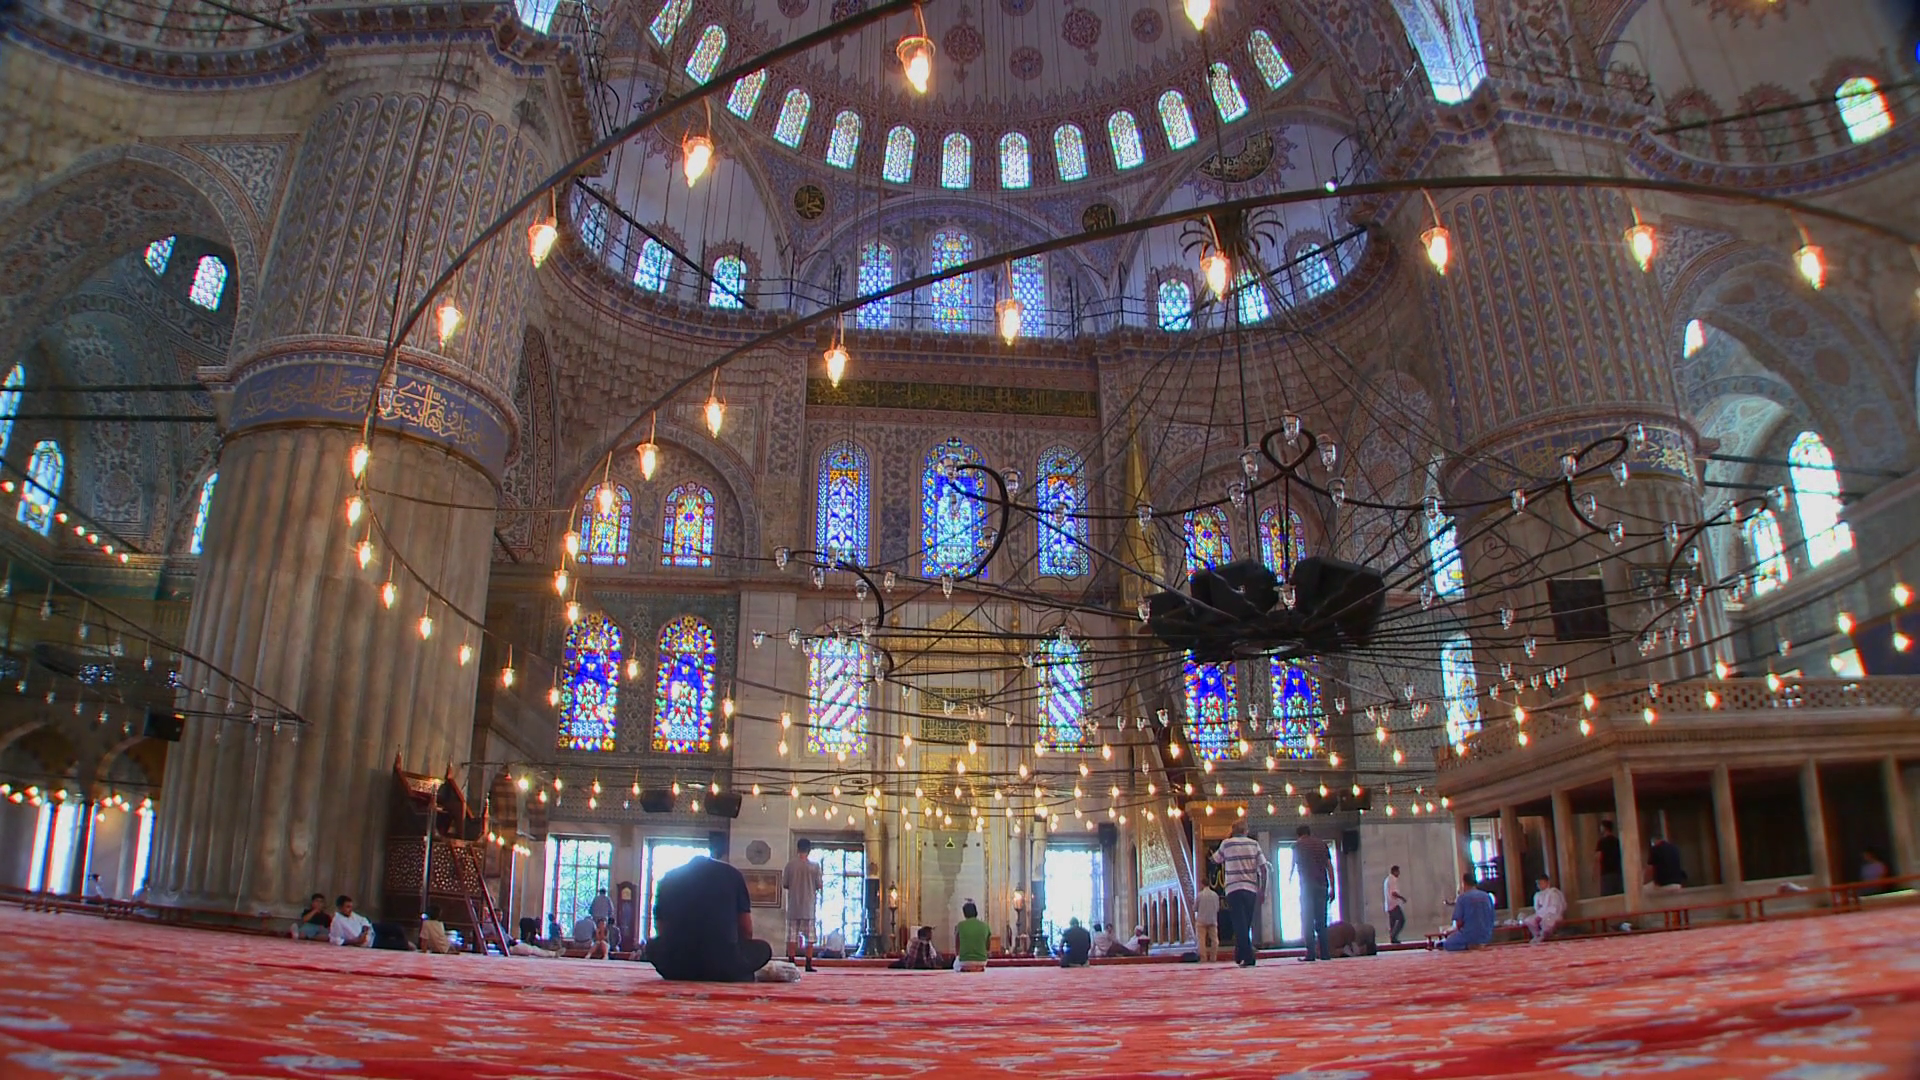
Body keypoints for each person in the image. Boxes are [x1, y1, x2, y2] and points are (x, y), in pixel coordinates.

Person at [646, 854, 774, 982]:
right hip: (724, 966)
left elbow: (660, 927)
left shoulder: (669, 877)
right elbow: (746, 928)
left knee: (650, 945)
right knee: (763, 948)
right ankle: (736, 972)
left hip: (676, 967)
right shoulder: (732, 875)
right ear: (722, 857)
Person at [1212, 820, 1268, 967]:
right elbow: (1264, 869)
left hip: (1233, 888)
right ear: (1246, 830)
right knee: (1245, 924)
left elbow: (1215, 859)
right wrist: (1263, 889)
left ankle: (1248, 957)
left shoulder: (1226, 844)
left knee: (1240, 924)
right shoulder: (1254, 844)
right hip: (1251, 889)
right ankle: (1240, 954)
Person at [1292, 825, 1335, 963]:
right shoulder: (1322, 845)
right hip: (1322, 885)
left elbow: (1294, 864)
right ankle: (1325, 953)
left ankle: (1310, 953)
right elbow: (1329, 866)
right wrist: (1333, 887)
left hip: (1307, 886)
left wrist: (1290, 877)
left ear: (1299, 834)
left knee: (1307, 920)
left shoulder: (1298, 845)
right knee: (1321, 921)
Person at [782, 837, 824, 972]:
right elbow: (819, 885)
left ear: (797, 849)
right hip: (808, 907)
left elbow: (785, 884)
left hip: (793, 906)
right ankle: (808, 964)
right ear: (809, 850)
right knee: (809, 938)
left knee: (792, 937)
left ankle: (791, 963)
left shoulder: (790, 866)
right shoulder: (815, 866)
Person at [1442, 874, 1495, 952]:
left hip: (1469, 935)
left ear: (1464, 883)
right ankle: (1478, 945)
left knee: (1448, 944)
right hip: (1486, 935)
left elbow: (1459, 923)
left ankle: (1470, 946)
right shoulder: (1487, 896)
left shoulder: (1462, 898)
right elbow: (1492, 918)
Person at [1523, 875, 1565, 943]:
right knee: (1529, 920)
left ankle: (1543, 936)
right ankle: (1537, 935)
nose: (1539, 885)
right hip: (1541, 913)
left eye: (1541, 883)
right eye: (1538, 883)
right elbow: (1537, 908)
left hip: (1552, 914)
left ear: (1547, 883)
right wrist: (1540, 914)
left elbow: (1556, 907)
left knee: (1546, 921)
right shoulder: (1537, 895)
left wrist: (1545, 914)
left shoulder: (1553, 893)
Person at [955, 901, 990, 971]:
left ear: (964, 913)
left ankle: (964, 969)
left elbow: (957, 945)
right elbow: (988, 947)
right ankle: (978, 968)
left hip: (964, 961)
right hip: (982, 961)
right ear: (976, 912)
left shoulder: (960, 925)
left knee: (955, 965)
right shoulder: (985, 926)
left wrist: (958, 956)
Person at [1193, 885, 1221, 963]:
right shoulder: (1215, 895)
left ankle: (1203, 958)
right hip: (1212, 920)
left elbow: (1195, 908)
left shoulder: (1199, 895)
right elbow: (1217, 908)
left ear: (1202, 885)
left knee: (1201, 940)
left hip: (1201, 921)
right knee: (1215, 940)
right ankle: (1213, 958)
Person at [1597, 820, 1624, 895]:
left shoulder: (1601, 842)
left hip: (1606, 873)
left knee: (1607, 896)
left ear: (1604, 828)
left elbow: (1598, 858)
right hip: (1618, 873)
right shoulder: (1618, 841)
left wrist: (1596, 873)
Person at [1382, 866, 1408, 945]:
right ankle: (1393, 937)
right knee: (1401, 920)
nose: (1399, 873)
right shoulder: (1392, 879)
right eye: (1398, 871)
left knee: (1392, 923)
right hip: (1393, 904)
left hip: (1388, 905)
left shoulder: (1387, 880)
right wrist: (1402, 898)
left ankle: (1392, 939)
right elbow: (1393, 893)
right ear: (1394, 871)